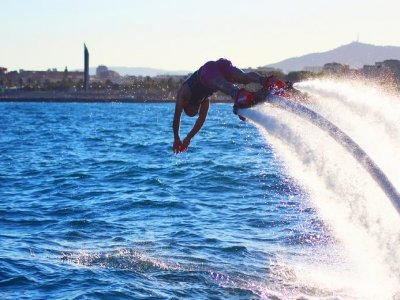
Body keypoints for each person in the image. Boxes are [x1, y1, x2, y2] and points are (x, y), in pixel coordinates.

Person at [172, 58, 281, 153]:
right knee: (244, 78)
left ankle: (240, 97)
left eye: (190, 112)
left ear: (186, 105)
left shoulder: (184, 94)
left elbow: (177, 117)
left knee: (222, 84)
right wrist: (188, 138)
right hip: (221, 65)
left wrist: (176, 138)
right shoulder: (204, 100)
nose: (193, 112)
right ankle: (267, 81)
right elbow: (201, 119)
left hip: (207, 71)